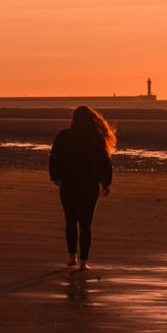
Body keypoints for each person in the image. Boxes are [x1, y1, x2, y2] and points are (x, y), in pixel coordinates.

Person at [49, 106, 116, 270]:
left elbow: (54, 157)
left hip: (68, 183)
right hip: (89, 184)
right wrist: (106, 182)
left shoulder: (64, 136)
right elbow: (104, 162)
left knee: (70, 221)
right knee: (86, 223)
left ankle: (72, 257)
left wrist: (55, 177)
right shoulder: (96, 138)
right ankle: (84, 261)